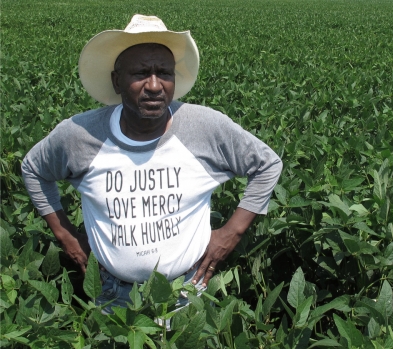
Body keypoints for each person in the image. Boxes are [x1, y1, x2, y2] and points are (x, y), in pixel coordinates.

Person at [21, 14, 282, 313]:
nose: (155, 85)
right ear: (116, 80)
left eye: (164, 72)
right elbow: (33, 169)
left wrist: (231, 233)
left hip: (187, 294)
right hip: (111, 295)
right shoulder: (81, 135)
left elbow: (267, 164)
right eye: (141, 73)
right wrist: (66, 236)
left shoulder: (202, 126)